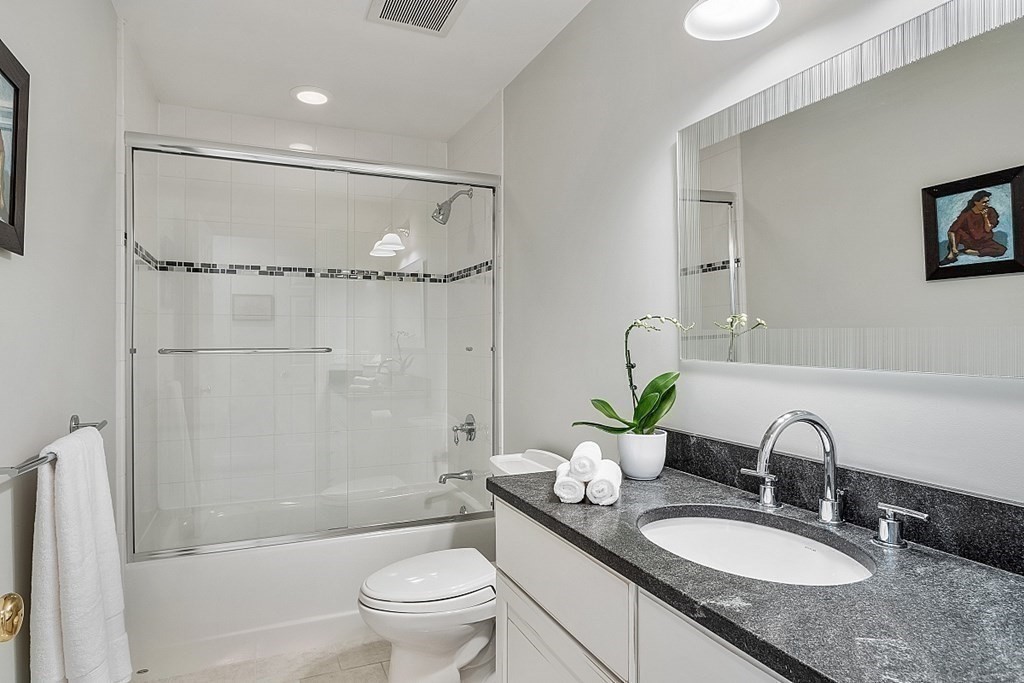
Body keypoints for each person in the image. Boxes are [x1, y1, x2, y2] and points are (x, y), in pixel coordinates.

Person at [940, 190, 1007, 264]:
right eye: (984, 202)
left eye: (988, 201)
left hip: (985, 241)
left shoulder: (991, 211)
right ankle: (951, 255)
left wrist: (985, 217)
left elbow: (988, 229)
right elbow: (951, 231)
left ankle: (973, 252)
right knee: (957, 230)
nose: (987, 204)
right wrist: (953, 248)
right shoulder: (966, 214)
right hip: (970, 241)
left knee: (1001, 250)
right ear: (976, 202)